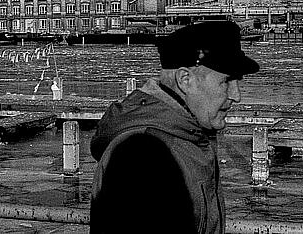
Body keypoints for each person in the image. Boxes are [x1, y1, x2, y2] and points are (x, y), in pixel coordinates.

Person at [90, 21, 259, 233]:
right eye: (226, 82)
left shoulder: (184, 138)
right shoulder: (143, 156)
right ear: (185, 80)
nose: (237, 96)